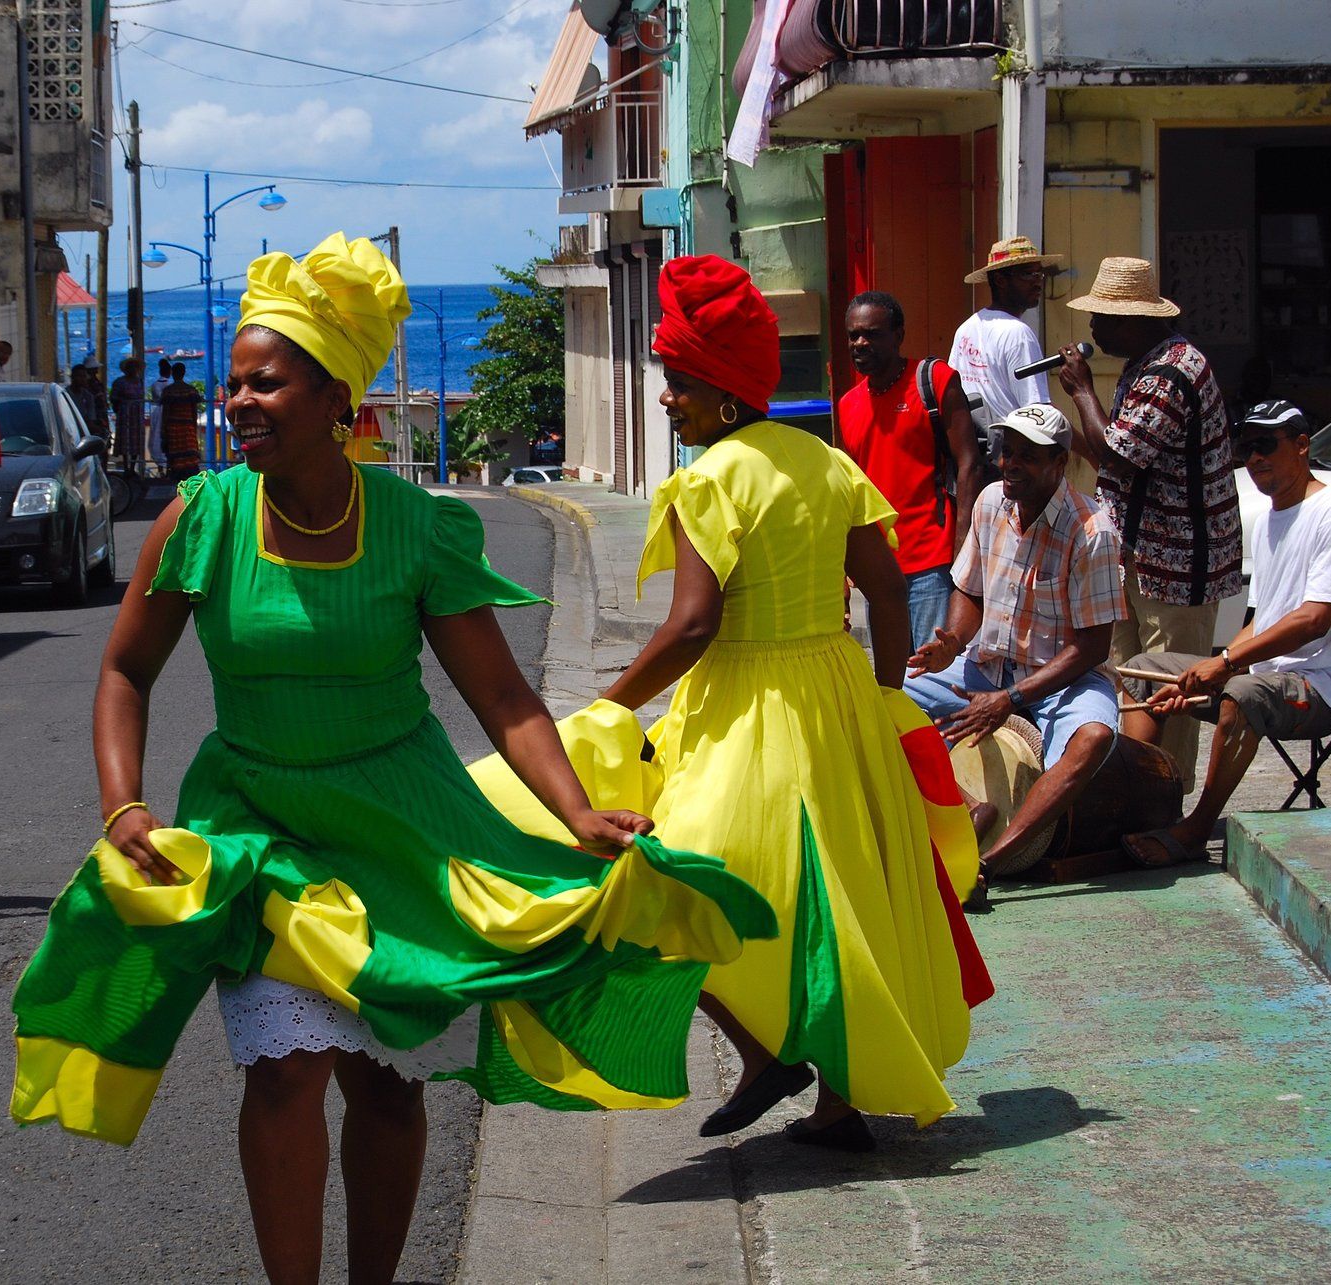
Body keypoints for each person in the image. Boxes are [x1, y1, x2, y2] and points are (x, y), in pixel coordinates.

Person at [10, 234, 776, 1284]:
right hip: (261, 835)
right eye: (234, 382)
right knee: (283, 1075)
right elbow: (124, 672)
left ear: (339, 400)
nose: (237, 402)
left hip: (404, 837)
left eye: (266, 383)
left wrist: (573, 814)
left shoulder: (415, 526)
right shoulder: (203, 517)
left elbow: (504, 698)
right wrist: (121, 806)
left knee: (387, 1088)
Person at [480, 255, 989, 1152]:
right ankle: (830, 1098)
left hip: (747, 707)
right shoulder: (827, 464)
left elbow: (691, 626)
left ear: (720, 392)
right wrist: (884, 699)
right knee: (833, 897)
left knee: (666, 881)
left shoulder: (710, 480)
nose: (667, 400)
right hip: (836, 696)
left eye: (678, 383)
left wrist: (609, 704)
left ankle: (768, 1056)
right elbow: (884, 588)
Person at [904, 403, 1127, 901]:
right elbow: (970, 591)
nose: (1009, 464)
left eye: (1026, 456)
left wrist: (1010, 700)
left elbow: (1092, 647)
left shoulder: (1093, 531)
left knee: (1092, 738)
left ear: (1060, 463)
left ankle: (990, 861)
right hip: (985, 668)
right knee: (882, 697)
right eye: (1007, 452)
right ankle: (964, 809)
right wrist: (953, 644)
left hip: (1062, 680)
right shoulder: (989, 503)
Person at [1120, 403, 1331, 866]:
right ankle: (1132, 810)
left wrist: (1225, 665)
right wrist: (1205, 671)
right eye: (1247, 447)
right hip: (1265, 675)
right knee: (1146, 670)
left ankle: (1196, 831)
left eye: (1266, 444)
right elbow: (1263, 619)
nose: (1254, 458)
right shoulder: (1270, 518)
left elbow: (1313, 619)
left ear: (1302, 445)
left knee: (1242, 691)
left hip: (1321, 685)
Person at [1055, 256, 1240, 790]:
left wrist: (1083, 392)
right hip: (1137, 553)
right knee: (1125, 675)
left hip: (1179, 561)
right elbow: (1110, 454)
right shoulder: (1145, 363)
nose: (1093, 329)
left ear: (1139, 319)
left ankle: (1166, 795)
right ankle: (1128, 787)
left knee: (1171, 686)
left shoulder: (1171, 371)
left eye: (1105, 319)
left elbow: (1118, 455)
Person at [837, 291, 986, 648]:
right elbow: (849, 492)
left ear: (898, 335)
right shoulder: (848, 405)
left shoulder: (934, 380)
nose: (860, 343)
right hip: (880, 568)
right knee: (893, 683)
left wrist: (964, 547)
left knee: (928, 675)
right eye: (853, 335)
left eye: (871, 334)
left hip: (931, 559)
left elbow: (969, 463)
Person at [951, 236, 1059, 436]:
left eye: (1039, 274)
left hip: (975, 449)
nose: (1037, 282)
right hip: (1009, 451)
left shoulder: (966, 328)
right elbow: (1037, 415)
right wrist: (1089, 452)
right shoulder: (1018, 334)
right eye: (1027, 275)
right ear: (1000, 280)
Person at [160, 360, 203, 478]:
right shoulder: (190, 390)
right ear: (184, 373)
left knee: (174, 454)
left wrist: (163, 429)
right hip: (187, 426)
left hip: (173, 427)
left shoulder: (169, 391)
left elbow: (166, 412)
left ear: (173, 373)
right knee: (190, 454)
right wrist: (193, 427)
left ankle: (175, 475)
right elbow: (194, 411)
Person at [109, 355, 147, 465]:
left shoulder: (140, 381)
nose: (133, 370)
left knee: (137, 440)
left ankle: (133, 465)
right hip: (125, 414)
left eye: (135, 367)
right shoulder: (119, 382)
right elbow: (113, 398)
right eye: (131, 367)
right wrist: (121, 405)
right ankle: (126, 466)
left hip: (137, 415)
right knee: (125, 440)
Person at [147, 355, 170, 467]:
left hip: (156, 411)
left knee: (155, 435)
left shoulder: (155, 384)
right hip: (164, 411)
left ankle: (160, 464)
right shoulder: (168, 385)